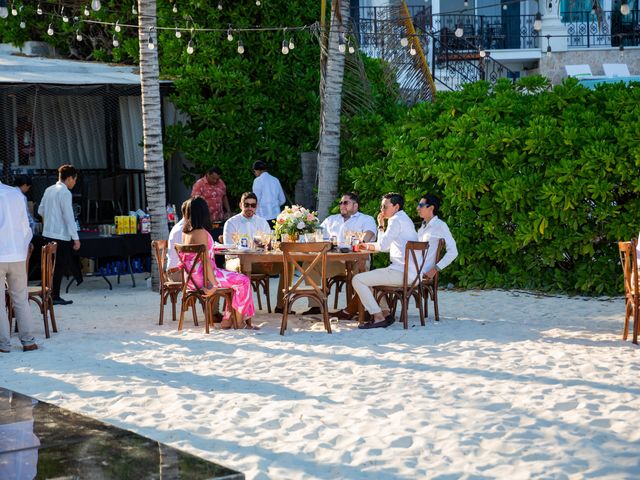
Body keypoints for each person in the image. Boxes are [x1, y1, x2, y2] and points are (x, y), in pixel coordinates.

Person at [178, 197, 256, 329]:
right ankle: (239, 322)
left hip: (191, 278)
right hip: (204, 279)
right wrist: (213, 284)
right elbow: (206, 261)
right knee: (243, 280)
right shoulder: (201, 233)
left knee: (235, 280)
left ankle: (227, 319)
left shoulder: (186, 233)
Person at [305, 192, 377, 317]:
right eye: (340, 203)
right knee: (308, 264)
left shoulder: (366, 219)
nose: (342, 205)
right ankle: (316, 304)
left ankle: (363, 308)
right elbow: (317, 235)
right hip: (335, 261)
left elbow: (369, 234)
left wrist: (360, 242)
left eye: (345, 202)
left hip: (355, 260)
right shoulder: (331, 220)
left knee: (362, 267)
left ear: (355, 206)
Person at [352, 193, 418, 329]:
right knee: (368, 275)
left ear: (396, 206)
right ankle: (386, 313)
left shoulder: (395, 220)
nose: (382, 210)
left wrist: (381, 226)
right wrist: (368, 245)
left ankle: (378, 317)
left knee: (358, 279)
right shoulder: (405, 219)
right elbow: (390, 247)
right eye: (381, 206)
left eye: (384, 206)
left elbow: (383, 246)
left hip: (402, 273)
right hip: (411, 272)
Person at [223, 192, 289, 313]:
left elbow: (268, 244)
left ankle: (281, 305)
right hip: (236, 261)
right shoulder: (231, 223)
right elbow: (229, 250)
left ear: (256, 206)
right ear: (240, 205)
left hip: (259, 261)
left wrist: (266, 249)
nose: (249, 208)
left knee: (287, 265)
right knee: (243, 265)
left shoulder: (262, 222)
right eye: (246, 205)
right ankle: (243, 310)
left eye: (253, 205)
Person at [0, 180, 38, 353]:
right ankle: (28, 341)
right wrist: (23, 246)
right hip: (17, 254)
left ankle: (3, 344)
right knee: (21, 299)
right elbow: (27, 225)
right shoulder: (16, 194)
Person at [37, 164, 81, 306]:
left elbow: (40, 210)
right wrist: (76, 238)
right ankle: (55, 296)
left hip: (48, 232)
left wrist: (51, 218)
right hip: (61, 235)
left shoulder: (48, 189)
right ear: (69, 178)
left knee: (49, 265)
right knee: (58, 266)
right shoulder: (65, 193)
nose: (75, 183)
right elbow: (69, 216)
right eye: (74, 180)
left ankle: (48, 294)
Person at [416, 194, 458, 280]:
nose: (417, 208)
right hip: (412, 270)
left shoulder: (440, 226)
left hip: (421, 273)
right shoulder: (421, 229)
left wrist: (436, 269)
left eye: (421, 205)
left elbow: (453, 252)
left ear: (431, 208)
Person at [252, 160, 286, 227]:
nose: (255, 173)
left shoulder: (257, 181)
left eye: (254, 171)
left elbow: (256, 200)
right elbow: (283, 199)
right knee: (276, 237)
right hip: (277, 216)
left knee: (264, 237)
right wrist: (274, 205)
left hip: (262, 217)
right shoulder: (275, 180)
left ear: (259, 170)